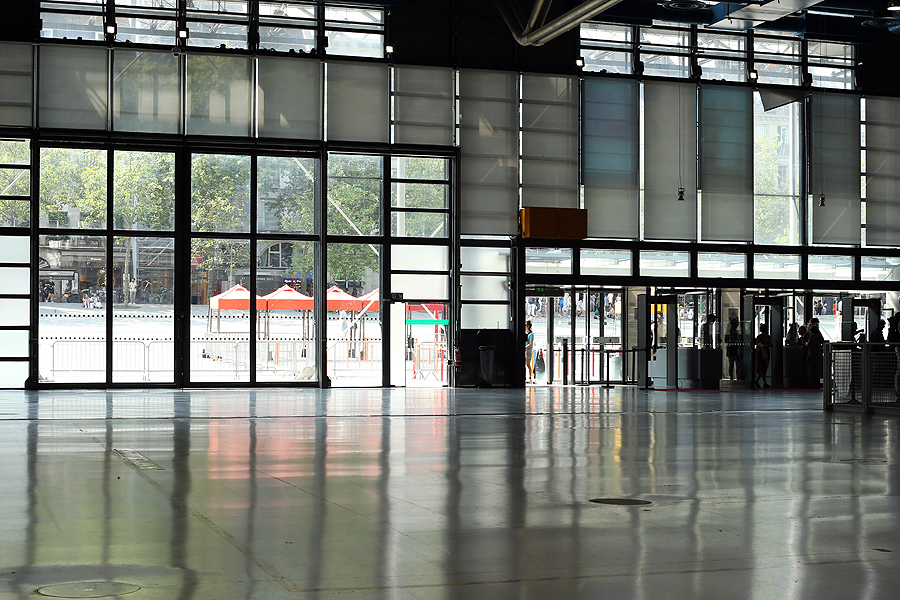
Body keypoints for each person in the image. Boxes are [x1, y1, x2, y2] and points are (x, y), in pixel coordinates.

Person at [805, 318, 824, 389]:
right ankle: (817, 383)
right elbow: (822, 341)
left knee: (810, 370)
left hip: (811, 354)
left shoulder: (811, 336)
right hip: (818, 354)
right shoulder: (819, 335)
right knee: (817, 370)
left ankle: (811, 384)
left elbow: (808, 345)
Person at [754, 323, 773, 388]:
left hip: (764, 352)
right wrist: (766, 345)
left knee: (764, 367)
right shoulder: (761, 337)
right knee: (762, 367)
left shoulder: (766, 337)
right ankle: (764, 382)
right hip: (761, 352)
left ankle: (757, 380)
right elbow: (760, 344)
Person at [888, 314, 900, 399]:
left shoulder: (897, 317)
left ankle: (898, 391)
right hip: (898, 346)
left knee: (899, 370)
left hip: (897, 345)